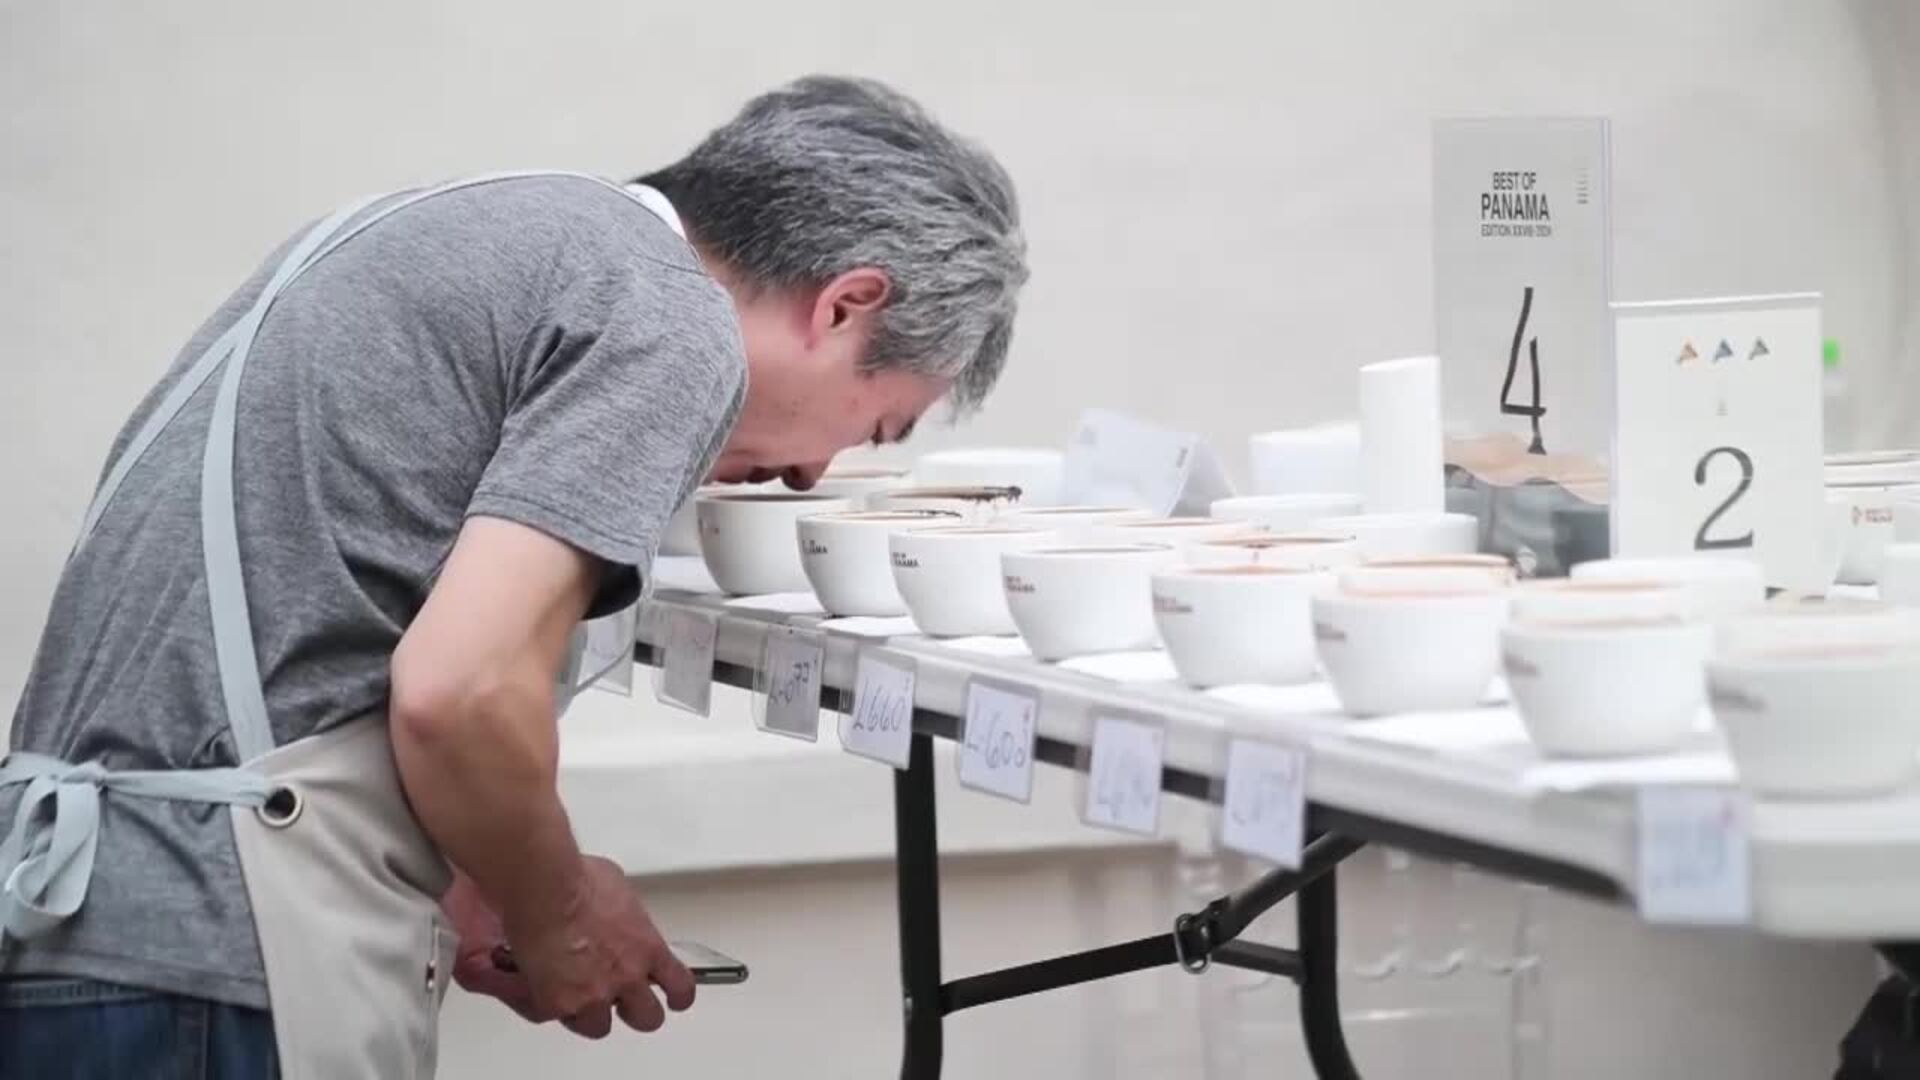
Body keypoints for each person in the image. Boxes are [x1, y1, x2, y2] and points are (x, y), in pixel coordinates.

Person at [0, 74, 1026, 1077]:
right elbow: (462, 692)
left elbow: (306, 629)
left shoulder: (471, 231)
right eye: (877, 424)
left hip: (67, 909)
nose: (814, 472)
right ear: (846, 306)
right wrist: (561, 910)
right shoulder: (672, 317)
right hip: (207, 963)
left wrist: (480, 874)